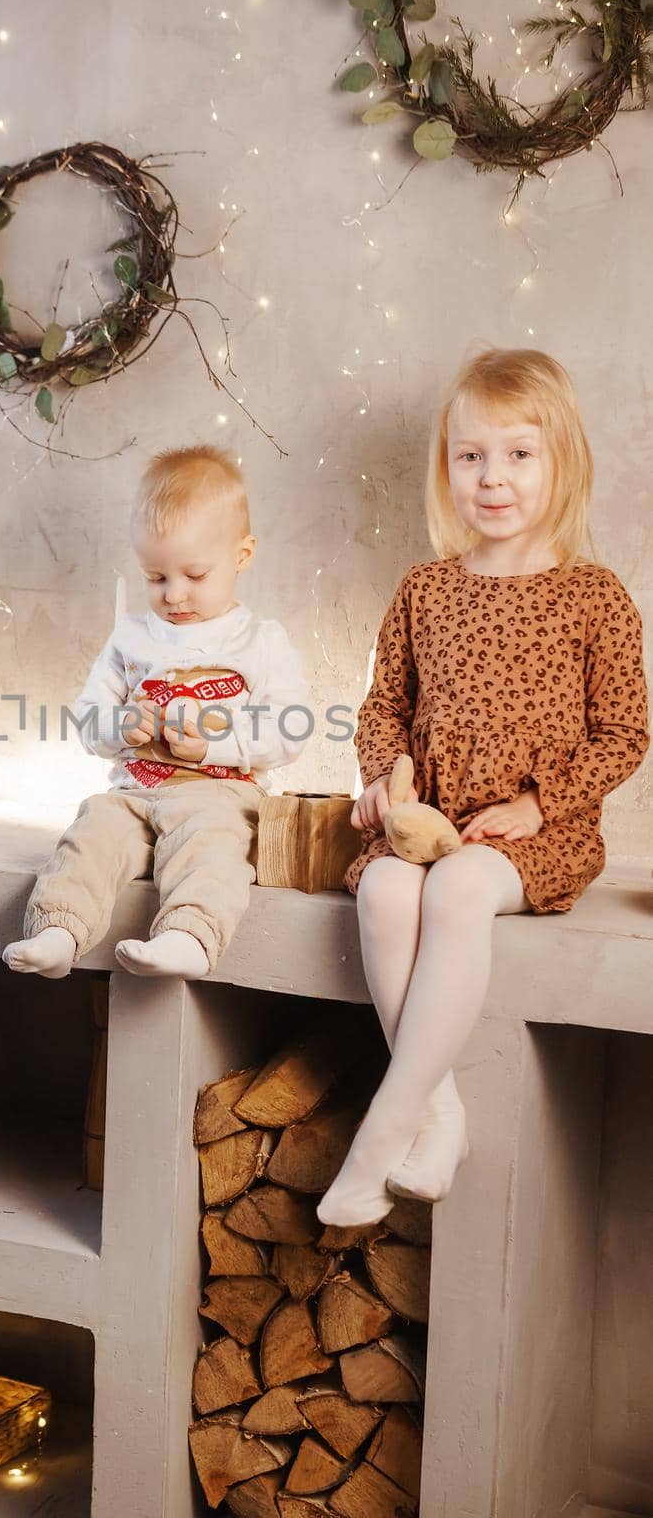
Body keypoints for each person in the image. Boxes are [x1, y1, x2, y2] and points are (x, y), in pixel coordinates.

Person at [317, 348, 649, 1227]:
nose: (490, 478)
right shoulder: (424, 591)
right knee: (387, 888)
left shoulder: (592, 597)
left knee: (460, 885)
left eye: (516, 454)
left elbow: (625, 733)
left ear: (561, 463)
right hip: (426, 823)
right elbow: (381, 706)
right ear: (446, 468)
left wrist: (538, 805)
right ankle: (441, 1112)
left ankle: (382, 1129)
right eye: (470, 457)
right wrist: (384, 785)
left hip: (536, 837)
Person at [3, 445, 308, 982]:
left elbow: (291, 728)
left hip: (219, 795)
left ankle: (188, 936)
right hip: (134, 793)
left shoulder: (258, 641)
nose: (174, 594)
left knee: (212, 849)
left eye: (194, 574)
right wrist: (120, 728)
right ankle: (58, 930)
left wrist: (213, 744)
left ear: (242, 554)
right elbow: (89, 717)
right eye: (155, 576)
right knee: (91, 831)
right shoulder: (132, 636)